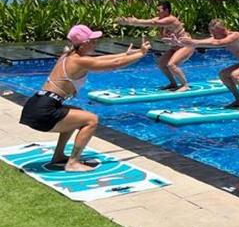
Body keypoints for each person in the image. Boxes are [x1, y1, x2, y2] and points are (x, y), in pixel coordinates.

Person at [19, 25, 150, 171]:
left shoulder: (68, 55)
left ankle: (58, 156)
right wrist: (141, 54)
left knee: (77, 115)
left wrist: (130, 53)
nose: (95, 43)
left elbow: (103, 58)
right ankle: (73, 163)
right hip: (44, 110)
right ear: (83, 44)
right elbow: (114, 64)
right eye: (92, 40)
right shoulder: (79, 61)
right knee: (91, 120)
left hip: (36, 103)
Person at [175, 19, 239, 111]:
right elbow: (206, 42)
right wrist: (179, 42)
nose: (213, 35)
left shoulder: (235, 35)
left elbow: (218, 43)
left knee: (236, 75)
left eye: (215, 33)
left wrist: (194, 42)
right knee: (223, 74)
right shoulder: (219, 37)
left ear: (223, 30)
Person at [117, 0, 194, 91]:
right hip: (175, 47)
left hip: (186, 45)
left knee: (171, 64)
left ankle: (185, 85)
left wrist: (133, 22)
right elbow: (149, 22)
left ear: (166, 10)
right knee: (161, 63)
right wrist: (131, 22)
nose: (157, 12)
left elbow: (154, 23)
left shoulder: (171, 19)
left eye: (159, 10)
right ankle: (173, 83)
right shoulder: (160, 19)